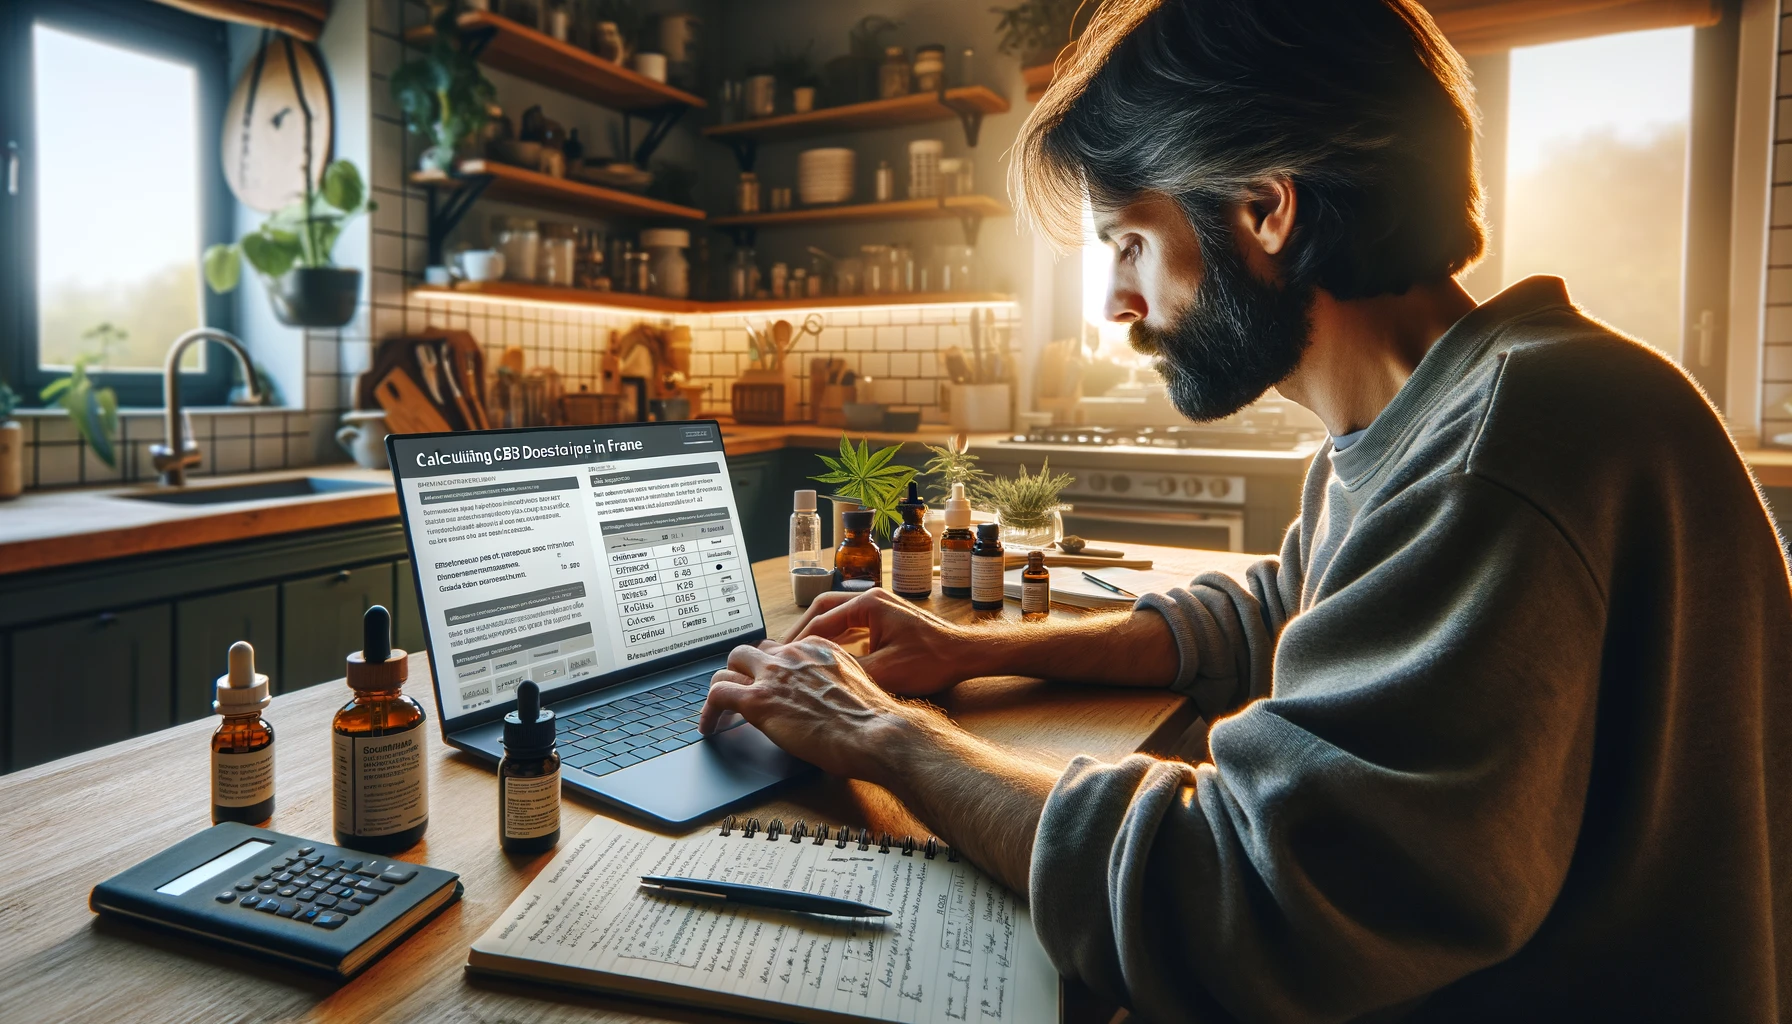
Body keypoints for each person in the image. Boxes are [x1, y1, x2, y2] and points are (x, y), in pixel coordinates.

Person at [698, 0, 1792, 1018]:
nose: (1116, 303)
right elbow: (1281, 614)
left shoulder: (1511, 450)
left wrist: (885, 734)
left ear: (1264, 208)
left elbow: (1251, 899)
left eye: (1128, 242)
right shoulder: (1442, 411)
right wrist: (966, 650)